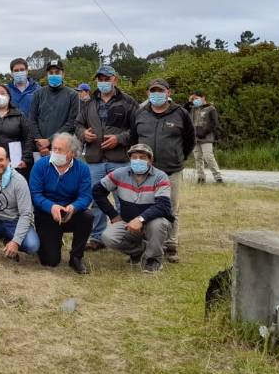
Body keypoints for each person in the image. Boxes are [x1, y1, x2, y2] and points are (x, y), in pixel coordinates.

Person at [131, 78, 195, 263]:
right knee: (144, 207)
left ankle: (171, 244)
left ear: (169, 93)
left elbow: (190, 140)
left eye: (160, 90)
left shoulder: (181, 114)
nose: (156, 94)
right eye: (153, 90)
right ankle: (144, 243)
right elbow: (134, 140)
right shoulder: (140, 113)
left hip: (171, 170)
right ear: (148, 93)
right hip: (145, 171)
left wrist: (178, 157)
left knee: (171, 208)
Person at [75, 65, 139, 251]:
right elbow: (78, 124)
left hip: (119, 159)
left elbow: (137, 129)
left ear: (115, 80)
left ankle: (124, 237)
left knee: (124, 200)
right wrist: (83, 134)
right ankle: (97, 237)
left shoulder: (128, 102)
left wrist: (119, 139)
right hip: (95, 159)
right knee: (95, 199)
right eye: (100, 79)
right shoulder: (89, 103)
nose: (103, 82)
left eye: (106, 78)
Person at [95, 144, 173, 273]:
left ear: (150, 160)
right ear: (129, 159)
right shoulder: (120, 173)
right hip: (127, 221)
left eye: (142, 157)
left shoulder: (160, 177)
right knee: (107, 237)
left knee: (157, 224)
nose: (138, 161)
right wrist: (113, 215)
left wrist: (141, 219)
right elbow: (97, 191)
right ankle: (140, 251)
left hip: (153, 221)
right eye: (134, 157)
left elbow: (163, 206)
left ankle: (154, 260)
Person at [29, 132, 93, 274]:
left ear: (71, 153)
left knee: (87, 216)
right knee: (50, 261)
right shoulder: (40, 165)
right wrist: (51, 207)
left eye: (60, 150)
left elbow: (86, 196)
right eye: (54, 148)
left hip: (70, 212)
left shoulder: (82, 169)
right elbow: (35, 194)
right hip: (46, 213)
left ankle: (76, 257)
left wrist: (73, 207)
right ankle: (53, 240)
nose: (55, 152)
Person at [28, 60, 79, 157]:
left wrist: (50, 140)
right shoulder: (38, 94)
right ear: (47, 75)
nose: (54, 75)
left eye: (57, 72)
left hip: (63, 148)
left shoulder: (73, 95)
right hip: (40, 149)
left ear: (63, 74)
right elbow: (32, 120)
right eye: (51, 73)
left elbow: (72, 123)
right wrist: (40, 143)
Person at [187, 91, 224, 184]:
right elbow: (184, 110)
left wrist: (204, 132)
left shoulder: (210, 108)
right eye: (193, 98)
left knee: (208, 157)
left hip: (206, 137)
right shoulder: (192, 108)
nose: (195, 100)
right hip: (195, 137)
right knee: (197, 157)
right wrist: (189, 101)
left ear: (203, 97)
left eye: (196, 98)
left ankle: (218, 177)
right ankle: (201, 178)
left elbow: (214, 123)